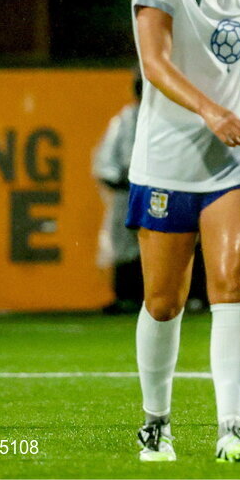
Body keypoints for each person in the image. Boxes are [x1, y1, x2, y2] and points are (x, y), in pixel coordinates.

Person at [127, 0, 240, 462]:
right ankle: (155, 422)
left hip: (234, 159)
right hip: (167, 160)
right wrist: (210, 110)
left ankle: (232, 428)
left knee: (233, 285)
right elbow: (153, 63)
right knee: (163, 301)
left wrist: (227, 117)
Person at [93, 69, 143, 315]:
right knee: (124, 246)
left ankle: (190, 296)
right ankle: (126, 296)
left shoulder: (173, 119)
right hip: (129, 190)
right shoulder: (125, 119)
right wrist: (116, 180)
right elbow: (106, 161)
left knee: (177, 241)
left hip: (165, 191)